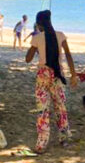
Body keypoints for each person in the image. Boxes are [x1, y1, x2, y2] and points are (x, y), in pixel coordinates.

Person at [26, 10, 78, 153]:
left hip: (43, 75)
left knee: (42, 108)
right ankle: (64, 137)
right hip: (57, 75)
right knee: (60, 106)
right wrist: (73, 74)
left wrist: (36, 45)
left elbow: (27, 58)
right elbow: (68, 55)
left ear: (38, 24)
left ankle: (42, 143)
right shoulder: (60, 35)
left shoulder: (37, 38)